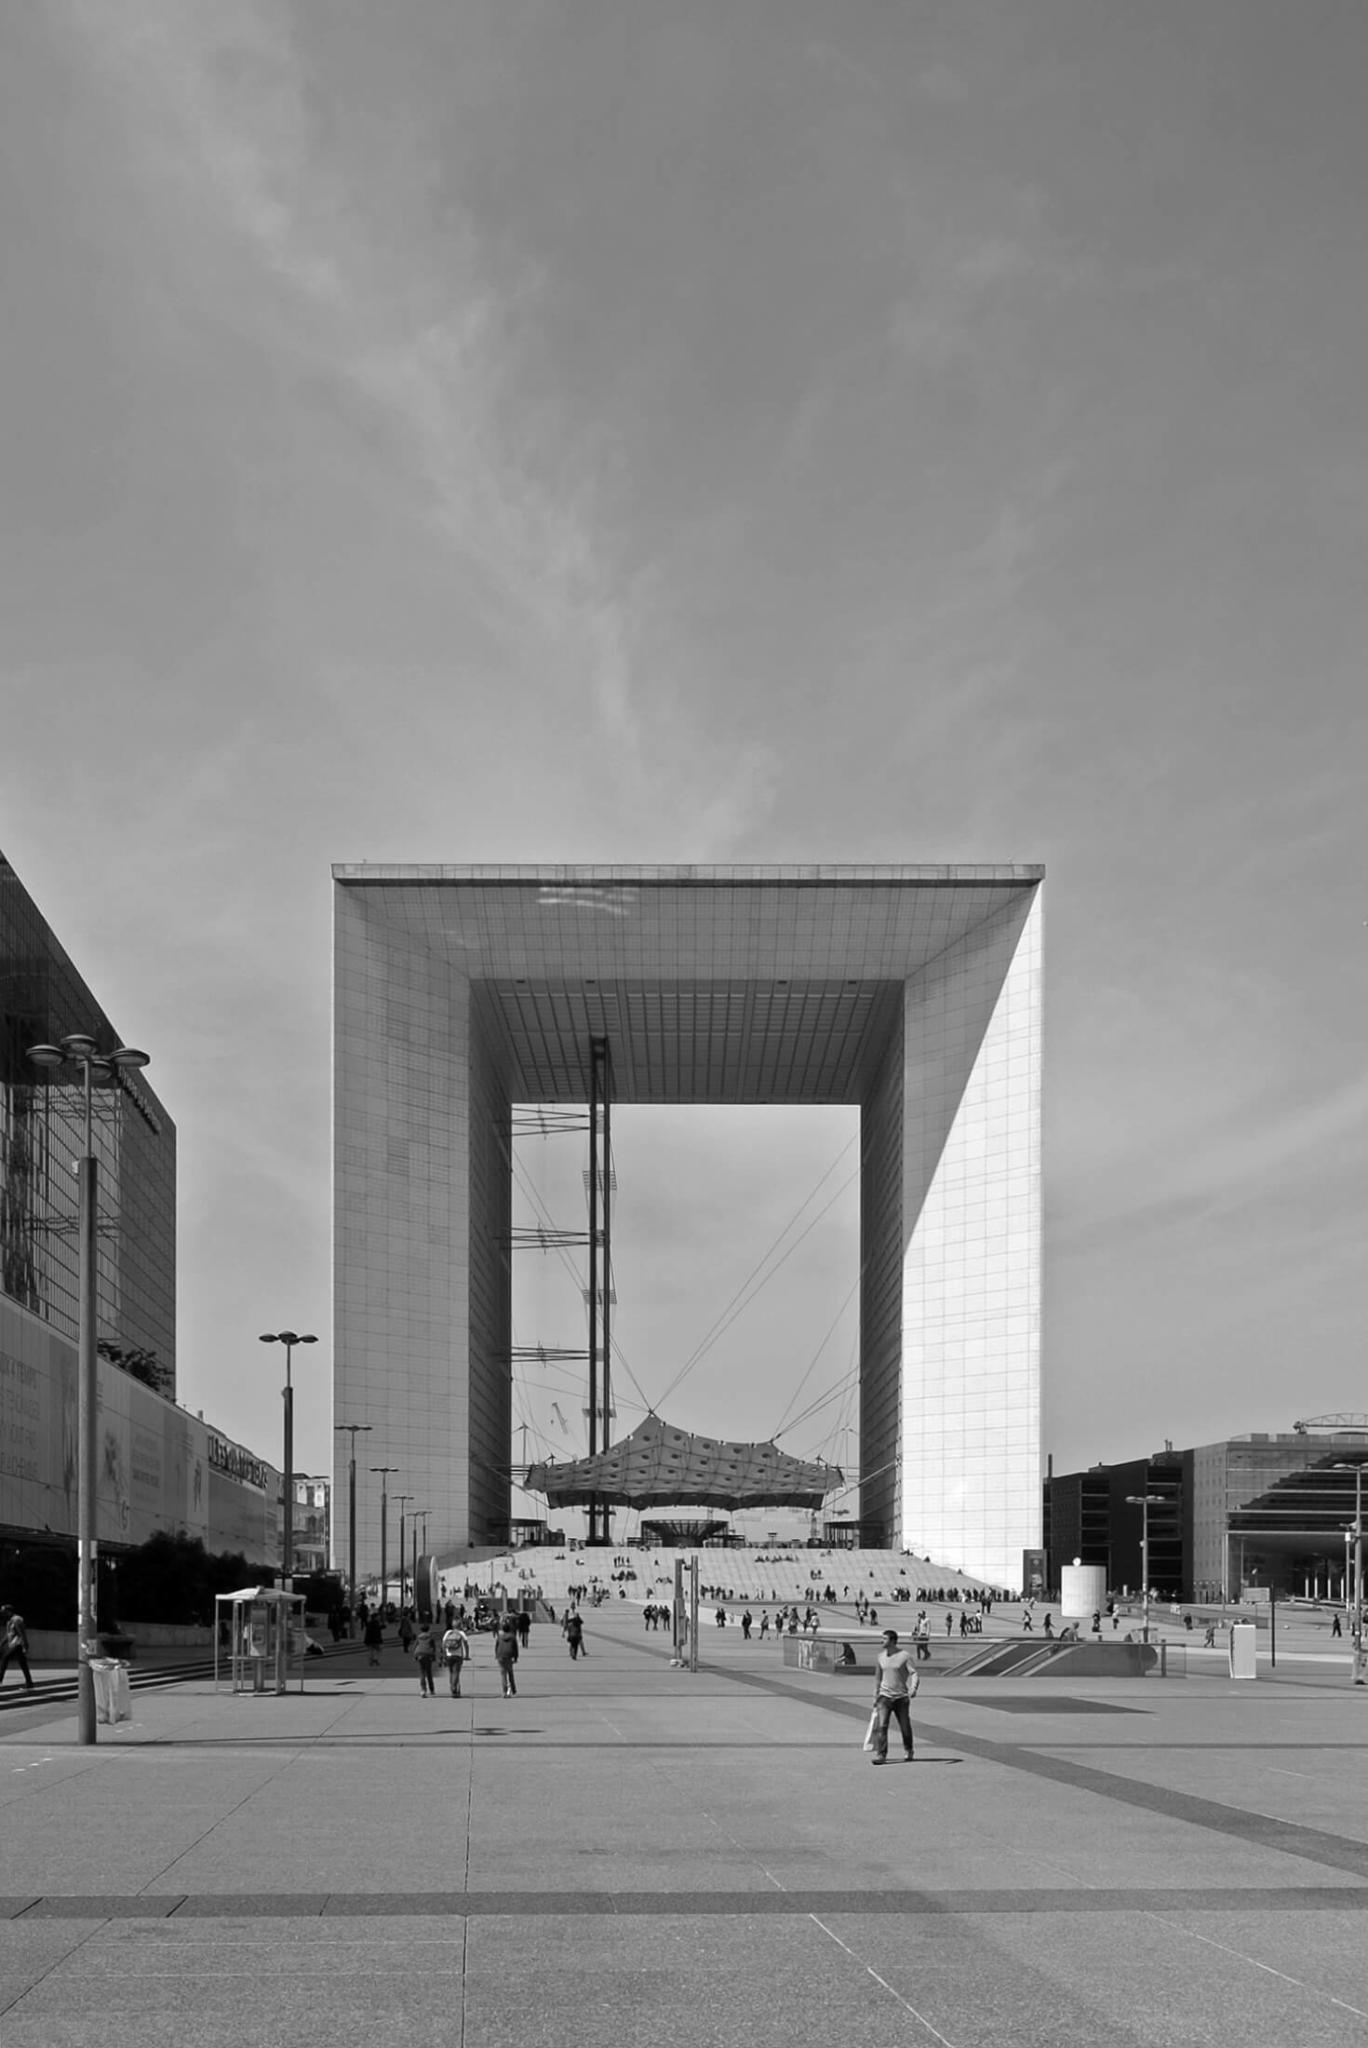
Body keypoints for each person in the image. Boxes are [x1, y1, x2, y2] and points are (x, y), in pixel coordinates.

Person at [869, 1629, 918, 1766]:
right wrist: (875, 1695)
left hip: (901, 1697)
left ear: (892, 1641)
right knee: (882, 1726)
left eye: (884, 1639)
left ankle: (909, 1750)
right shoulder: (880, 1657)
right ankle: (881, 1754)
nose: (881, 1641)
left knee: (905, 1726)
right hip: (884, 1697)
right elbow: (878, 1678)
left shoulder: (905, 1656)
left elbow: (913, 1673)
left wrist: (913, 1688)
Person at [0, 1608, 35, 1692]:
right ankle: (29, 1683)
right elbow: (9, 1634)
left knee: (5, 1658)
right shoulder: (10, 1621)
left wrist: (25, 1644)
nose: (3, 1614)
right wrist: (2, 1643)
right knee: (23, 1664)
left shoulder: (16, 1620)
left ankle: (0, 1678)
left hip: (17, 1644)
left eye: (4, 1612)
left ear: (9, 1611)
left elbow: (21, 1633)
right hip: (13, 1644)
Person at [442, 1619, 471, 1695]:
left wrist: (444, 1654)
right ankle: (454, 1687)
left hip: (449, 1655)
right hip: (458, 1655)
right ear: (460, 1625)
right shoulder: (461, 1633)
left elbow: (443, 1644)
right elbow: (466, 1644)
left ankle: (454, 1688)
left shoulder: (448, 1632)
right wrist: (467, 1655)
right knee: (456, 1672)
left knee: (451, 1672)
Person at [493, 1616, 519, 1697]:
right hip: (509, 1655)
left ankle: (504, 1691)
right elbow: (515, 1648)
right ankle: (513, 1690)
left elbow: (496, 1646)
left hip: (500, 1655)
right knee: (510, 1673)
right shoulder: (513, 1637)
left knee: (503, 1674)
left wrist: (496, 1655)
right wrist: (516, 1657)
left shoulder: (499, 1637)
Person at [413, 1623, 438, 1697]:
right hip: (428, 1655)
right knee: (429, 1673)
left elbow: (415, 1646)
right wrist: (433, 1657)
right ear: (428, 1629)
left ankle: (423, 1690)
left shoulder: (418, 1637)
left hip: (420, 1655)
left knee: (422, 1673)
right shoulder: (431, 1637)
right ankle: (432, 1690)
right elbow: (433, 1648)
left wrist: (414, 1656)